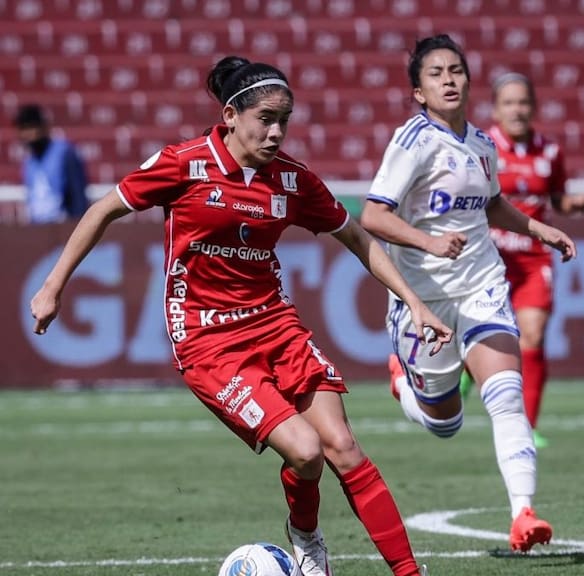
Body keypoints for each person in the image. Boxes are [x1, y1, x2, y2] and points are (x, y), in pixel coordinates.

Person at [29, 56, 449, 576]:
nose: (276, 132)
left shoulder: (292, 181)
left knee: (342, 446)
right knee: (306, 451)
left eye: (285, 121)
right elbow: (102, 209)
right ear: (231, 114)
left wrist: (415, 301)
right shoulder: (184, 163)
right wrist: (53, 285)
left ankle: (408, 573)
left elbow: (358, 237)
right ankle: (306, 535)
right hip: (208, 341)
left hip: (276, 323)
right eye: (265, 119)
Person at [360, 35, 577, 553]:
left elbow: (492, 204)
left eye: (456, 70)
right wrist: (428, 240)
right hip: (426, 298)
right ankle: (406, 387)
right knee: (445, 423)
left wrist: (537, 229)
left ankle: (522, 513)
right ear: (418, 91)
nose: (449, 80)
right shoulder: (412, 143)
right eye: (436, 74)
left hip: (482, 284)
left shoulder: (481, 144)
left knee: (505, 396)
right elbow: (372, 215)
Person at [460, 73, 584, 448]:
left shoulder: (549, 152)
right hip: (488, 256)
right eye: (509, 103)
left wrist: (574, 204)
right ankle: (469, 367)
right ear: (496, 108)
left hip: (533, 259)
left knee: (532, 335)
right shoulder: (481, 146)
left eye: (523, 103)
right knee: (480, 331)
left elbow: (558, 198)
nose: (517, 110)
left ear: (532, 107)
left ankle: (526, 426)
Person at [14, 103, 89, 223]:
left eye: (31, 127)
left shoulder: (64, 152)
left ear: (42, 127)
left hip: (63, 227)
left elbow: (77, 196)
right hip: (39, 229)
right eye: (23, 129)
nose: (27, 134)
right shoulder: (29, 161)